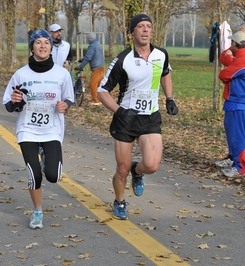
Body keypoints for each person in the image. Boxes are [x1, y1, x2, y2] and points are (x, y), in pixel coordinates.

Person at [97, 14, 179, 220]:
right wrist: (119, 111)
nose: (145, 30)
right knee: (121, 170)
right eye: (140, 26)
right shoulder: (123, 59)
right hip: (126, 119)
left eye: (148, 26)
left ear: (152, 31)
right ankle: (120, 201)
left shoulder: (161, 54)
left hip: (150, 117)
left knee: (151, 165)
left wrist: (169, 98)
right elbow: (102, 91)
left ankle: (138, 171)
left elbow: (165, 73)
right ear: (132, 32)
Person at [2, 29, 74, 229]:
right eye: (38, 42)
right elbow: (9, 103)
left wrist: (65, 105)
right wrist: (16, 102)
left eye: (46, 42)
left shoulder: (62, 74)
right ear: (32, 47)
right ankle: (37, 212)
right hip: (28, 130)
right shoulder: (21, 74)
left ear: (51, 47)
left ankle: (46, 161)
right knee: (34, 174)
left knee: (53, 175)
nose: (43, 46)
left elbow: (69, 98)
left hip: (52, 129)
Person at [215, 22, 245, 171]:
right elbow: (223, 57)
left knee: (243, 129)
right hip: (234, 95)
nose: (240, 36)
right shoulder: (240, 48)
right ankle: (233, 157)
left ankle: (244, 161)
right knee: (231, 128)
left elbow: (242, 66)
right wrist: (231, 59)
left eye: (243, 34)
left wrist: (232, 61)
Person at [217, 31, 245, 178]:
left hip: (238, 103)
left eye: (231, 43)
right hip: (234, 102)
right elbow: (225, 64)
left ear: (235, 44)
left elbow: (224, 74)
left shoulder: (242, 60)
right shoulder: (240, 58)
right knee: (233, 136)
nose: (230, 45)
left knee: (238, 137)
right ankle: (235, 164)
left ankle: (240, 168)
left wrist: (227, 73)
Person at [75, 32, 105, 105]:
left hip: (97, 68)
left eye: (87, 38)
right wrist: (82, 59)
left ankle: (96, 101)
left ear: (89, 39)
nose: (87, 40)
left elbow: (88, 57)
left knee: (92, 84)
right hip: (102, 66)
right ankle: (101, 99)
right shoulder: (98, 44)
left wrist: (80, 66)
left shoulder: (92, 46)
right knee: (99, 84)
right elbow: (92, 55)